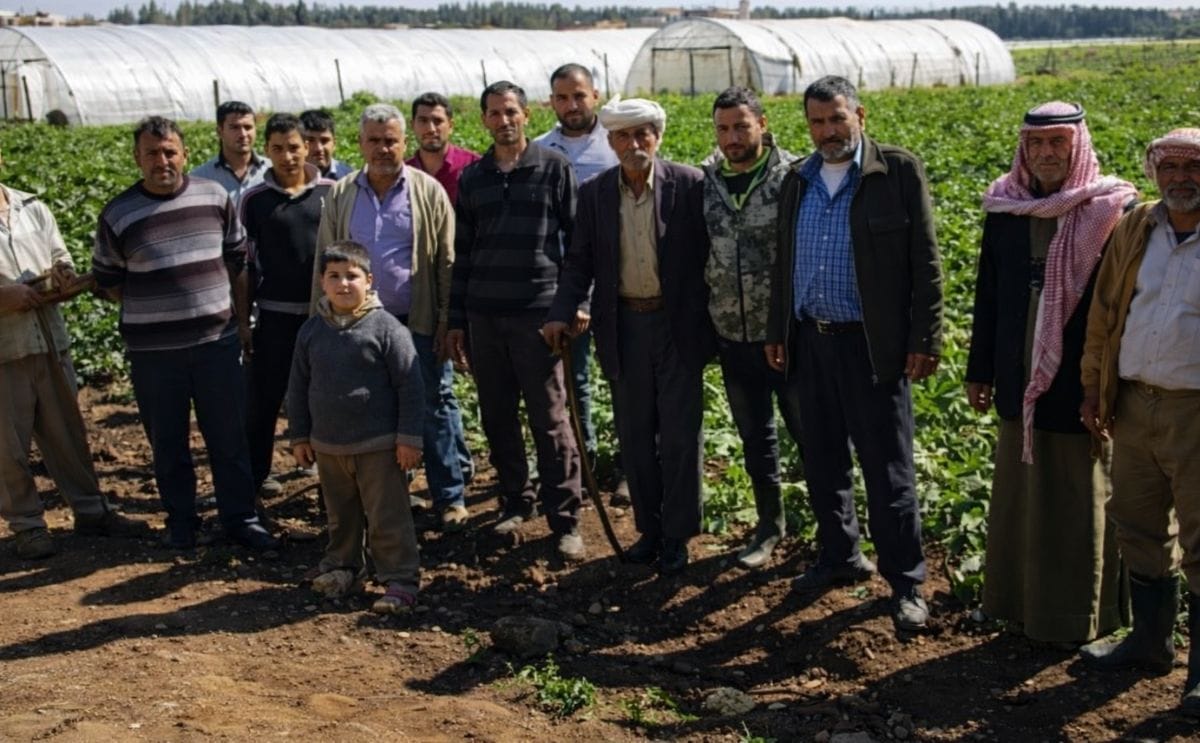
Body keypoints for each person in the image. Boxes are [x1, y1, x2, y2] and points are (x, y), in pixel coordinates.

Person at [764, 75, 942, 631]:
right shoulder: (798, 179)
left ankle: (906, 581)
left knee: (888, 470)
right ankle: (839, 554)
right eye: (817, 122)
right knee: (822, 461)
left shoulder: (896, 171)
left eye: (837, 119)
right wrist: (778, 329)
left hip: (871, 346)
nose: (828, 131)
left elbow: (925, 262)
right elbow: (783, 262)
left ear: (859, 116)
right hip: (810, 340)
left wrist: (924, 338)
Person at [966, 102, 1135, 644]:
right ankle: (1018, 605)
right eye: (1036, 143)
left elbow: (1121, 308)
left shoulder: (1111, 209)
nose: (1045, 153)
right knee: (1021, 494)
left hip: (1080, 377)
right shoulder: (1006, 208)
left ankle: (1077, 619)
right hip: (1018, 373)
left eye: (1057, 142)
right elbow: (989, 295)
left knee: (1078, 494)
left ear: (1077, 146)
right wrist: (980, 370)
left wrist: (1102, 384)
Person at [92, 115, 279, 552]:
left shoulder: (214, 197)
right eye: (152, 153)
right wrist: (159, 308)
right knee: (168, 441)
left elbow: (237, 260)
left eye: (169, 152)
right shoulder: (119, 213)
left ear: (185, 154)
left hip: (216, 344)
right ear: (137, 158)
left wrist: (239, 321)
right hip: (154, 353)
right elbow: (109, 281)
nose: (162, 161)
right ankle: (182, 522)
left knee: (229, 437)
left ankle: (241, 518)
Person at [543, 97, 713, 575]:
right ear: (612, 141)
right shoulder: (596, 193)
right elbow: (579, 262)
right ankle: (649, 530)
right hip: (624, 325)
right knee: (635, 436)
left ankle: (678, 535)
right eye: (623, 136)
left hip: (676, 327)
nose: (634, 144)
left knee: (680, 436)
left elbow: (710, 256)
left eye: (643, 134)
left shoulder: (689, 184)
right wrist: (561, 311)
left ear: (657, 137)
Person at [1078, 128, 1200, 715]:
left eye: (1192, 167)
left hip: (1193, 409)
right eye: (1169, 167)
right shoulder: (1137, 227)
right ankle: (1151, 644)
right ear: (1155, 172)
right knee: (1136, 521)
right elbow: (1105, 312)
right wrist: (1092, 387)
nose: (1181, 178)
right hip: (1132, 401)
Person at [314, 103, 470, 530]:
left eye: (391, 141)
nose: (383, 149)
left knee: (433, 402)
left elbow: (446, 261)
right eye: (374, 141)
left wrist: (445, 319)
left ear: (404, 143)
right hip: (360, 325)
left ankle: (449, 496)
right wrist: (324, 318)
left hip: (415, 319)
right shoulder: (342, 194)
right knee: (374, 409)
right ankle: (392, 496)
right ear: (360, 144)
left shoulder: (427, 191)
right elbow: (325, 259)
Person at [446, 81, 584, 560]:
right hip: (485, 316)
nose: (503, 121)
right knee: (497, 415)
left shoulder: (554, 168)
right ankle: (515, 502)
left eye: (511, 112)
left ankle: (565, 518)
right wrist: (457, 319)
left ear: (526, 115)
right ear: (483, 120)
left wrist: (573, 305)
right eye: (494, 113)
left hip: (538, 316)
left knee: (550, 419)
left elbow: (578, 245)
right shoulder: (475, 177)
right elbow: (463, 253)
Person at [0, 157, 148, 559]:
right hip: (5, 351)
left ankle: (90, 510)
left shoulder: (32, 208)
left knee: (68, 434)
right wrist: (5, 297)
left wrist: (62, 274)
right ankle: (28, 526)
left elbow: (59, 254)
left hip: (49, 340)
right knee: (8, 447)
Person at [289, 241, 424, 614]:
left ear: (369, 280)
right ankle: (344, 565)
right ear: (322, 282)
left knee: (386, 515)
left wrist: (408, 438)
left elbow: (410, 386)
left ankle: (400, 579)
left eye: (352, 276)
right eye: (334, 276)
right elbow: (298, 386)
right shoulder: (312, 331)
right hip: (328, 445)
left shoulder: (387, 329)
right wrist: (300, 435)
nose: (343, 284)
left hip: (378, 445)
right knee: (340, 513)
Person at [702, 86, 801, 570]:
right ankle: (769, 525)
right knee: (755, 438)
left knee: (811, 433)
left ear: (762, 124)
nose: (732, 138)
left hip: (789, 334)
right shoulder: (706, 181)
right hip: (732, 335)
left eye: (741, 126)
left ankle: (836, 533)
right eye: (723, 129)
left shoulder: (795, 177)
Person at [239, 113, 334, 505]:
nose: (287, 156)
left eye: (294, 147)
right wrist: (243, 322)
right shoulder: (254, 201)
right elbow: (245, 265)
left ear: (307, 147)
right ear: (266, 151)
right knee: (264, 403)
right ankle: (252, 486)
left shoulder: (331, 193)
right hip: (275, 317)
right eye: (277, 148)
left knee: (326, 400)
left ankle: (334, 483)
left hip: (324, 317)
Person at [533, 63, 620, 481]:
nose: (572, 105)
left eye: (579, 96)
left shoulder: (617, 142)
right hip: (566, 286)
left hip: (620, 283)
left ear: (595, 96)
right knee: (573, 380)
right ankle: (583, 465)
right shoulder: (539, 150)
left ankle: (630, 467)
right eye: (562, 98)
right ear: (551, 102)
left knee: (626, 378)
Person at [405, 92, 480, 206]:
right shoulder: (403, 173)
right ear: (412, 125)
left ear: (450, 126)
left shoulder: (474, 166)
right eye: (423, 121)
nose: (431, 129)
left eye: (438, 121)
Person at [191, 100, 267, 206]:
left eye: (248, 127)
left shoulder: (273, 170)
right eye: (235, 127)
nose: (243, 134)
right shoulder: (200, 179)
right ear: (219, 132)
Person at [299, 109, 354, 181]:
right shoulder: (287, 179)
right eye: (310, 140)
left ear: (334, 143)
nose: (318, 148)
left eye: (324, 140)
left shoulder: (349, 178)